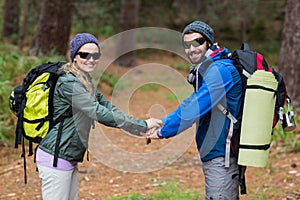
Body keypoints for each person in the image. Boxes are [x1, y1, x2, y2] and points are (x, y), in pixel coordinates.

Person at [35, 33, 162, 200]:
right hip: (56, 158)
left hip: (68, 156)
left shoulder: (83, 79)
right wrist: (142, 125)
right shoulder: (69, 83)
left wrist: (140, 127)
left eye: (96, 55)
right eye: (84, 55)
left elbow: (106, 106)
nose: (91, 59)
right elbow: (98, 112)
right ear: (74, 57)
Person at [147, 21, 243, 199]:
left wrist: (163, 131)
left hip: (222, 152)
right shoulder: (208, 69)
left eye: (197, 42)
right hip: (215, 149)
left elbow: (194, 107)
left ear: (208, 42)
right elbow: (192, 103)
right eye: (186, 44)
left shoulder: (220, 70)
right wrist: (164, 122)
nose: (191, 49)